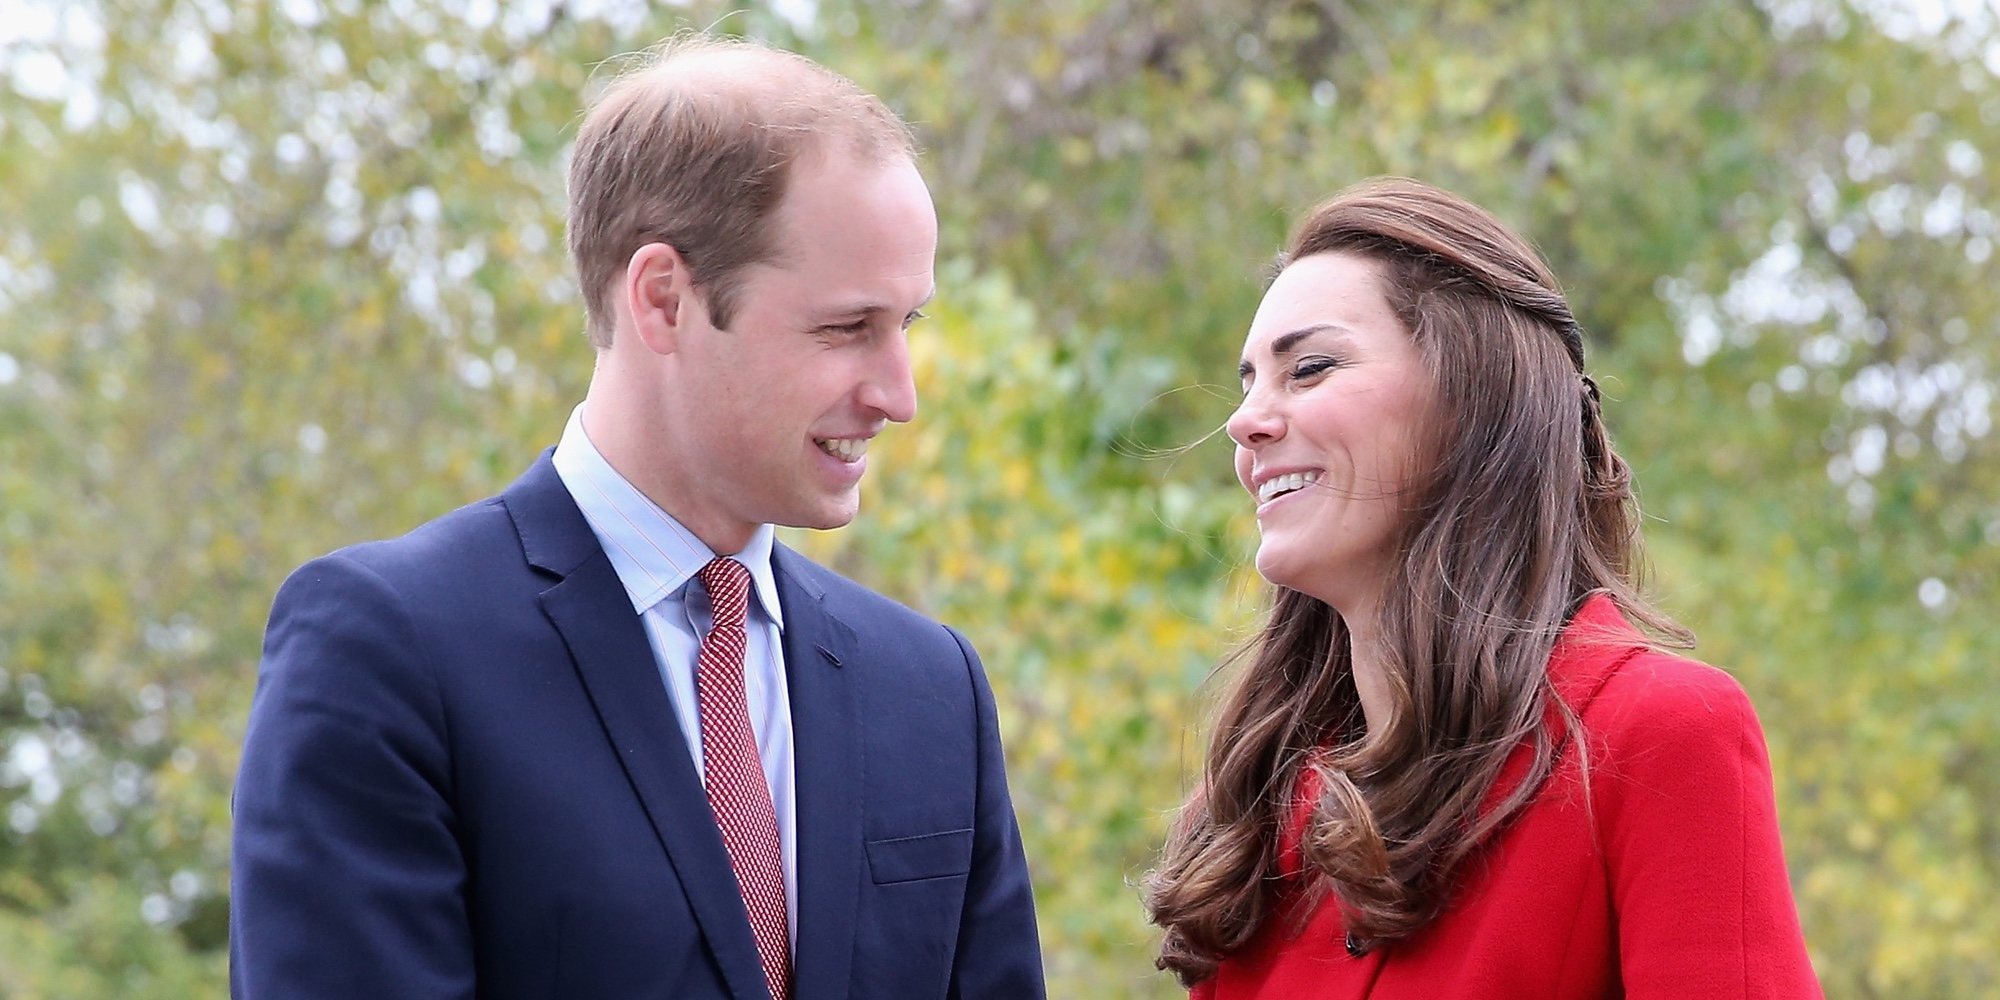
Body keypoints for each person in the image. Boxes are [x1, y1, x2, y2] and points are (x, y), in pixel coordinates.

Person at [229, 35, 1044, 1000]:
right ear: (664, 298)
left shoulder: (931, 689)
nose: (900, 395)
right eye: (845, 328)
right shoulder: (390, 650)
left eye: (906, 325)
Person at [1143, 177, 1821, 998]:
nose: (1245, 422)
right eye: (1249, 383)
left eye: (1309, 368)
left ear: (1474, 399)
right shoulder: (1253, 818)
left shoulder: (1660, 734)